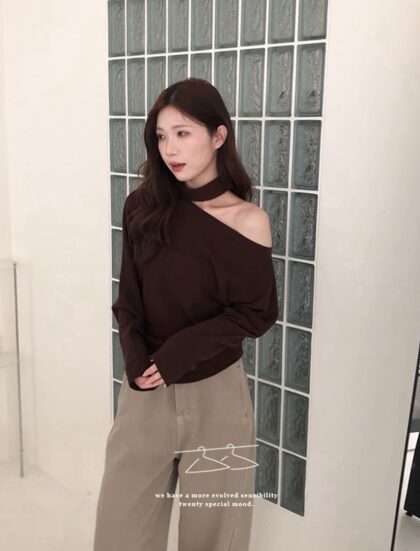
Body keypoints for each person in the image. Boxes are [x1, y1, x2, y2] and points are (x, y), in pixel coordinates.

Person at [93, 77, 279, 551]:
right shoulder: (142, 207)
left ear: (219, 136)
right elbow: (128, 299)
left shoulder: (248, 221)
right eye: (161, 136)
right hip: (146, 391)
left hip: (219, 399)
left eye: (182, 133)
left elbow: (256, 313)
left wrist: (180, 352)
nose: (169, 148)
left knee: (214, 539)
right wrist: (135, 358)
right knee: (120, 533)